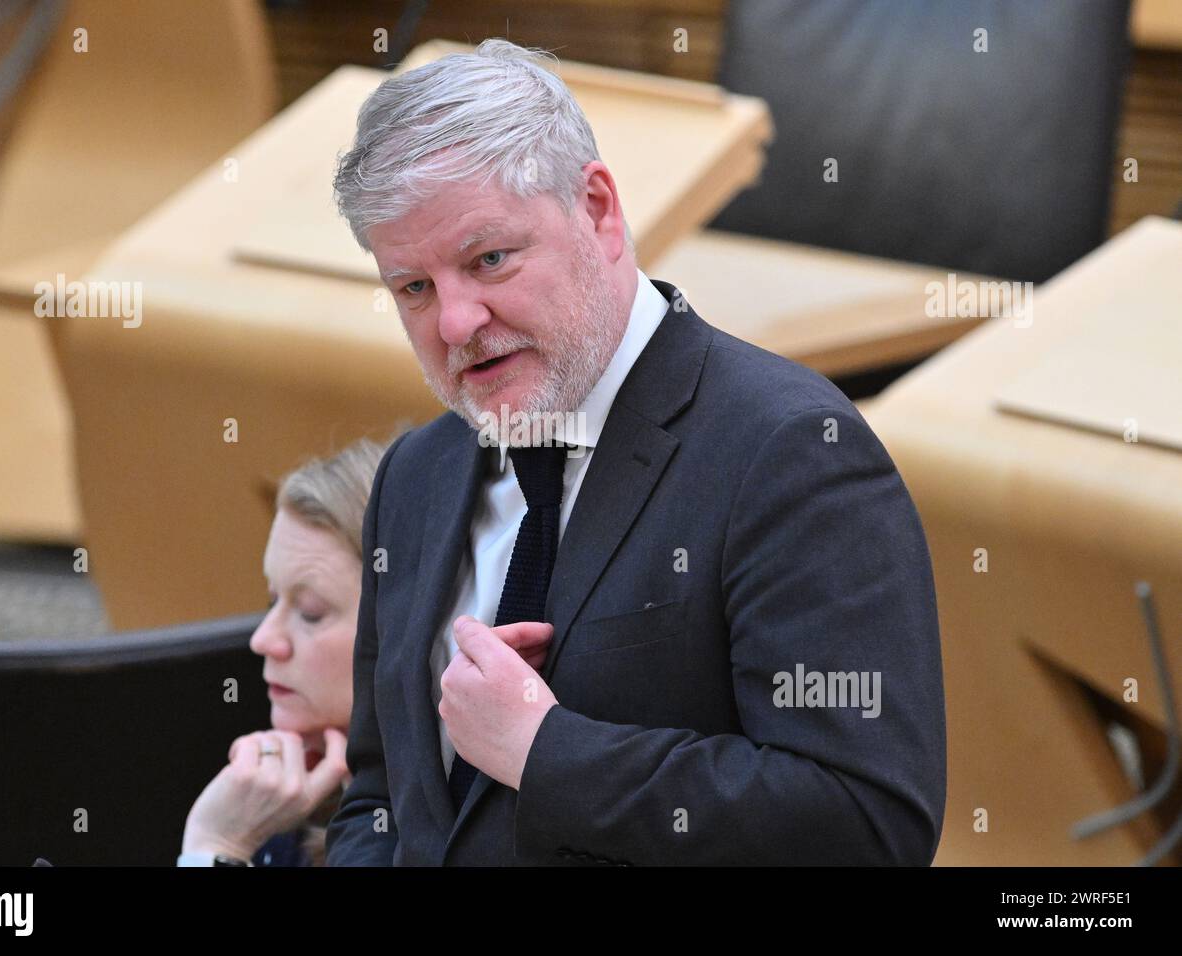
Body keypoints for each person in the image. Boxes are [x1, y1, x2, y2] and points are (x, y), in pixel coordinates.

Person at [325, 38, 947, 866]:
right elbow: (377, 796)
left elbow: (865, 823)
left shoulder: (792, 453)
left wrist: (547, 752)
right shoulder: (416, 475)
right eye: (414, 288)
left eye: (490, 260)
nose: (455, 324)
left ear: (598, 209)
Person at [177, 438, 386, 866]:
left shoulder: (435, 838)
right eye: (273, 601)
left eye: (310, 613)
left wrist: (218, 847)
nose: (263, 639)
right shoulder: (277, 804)